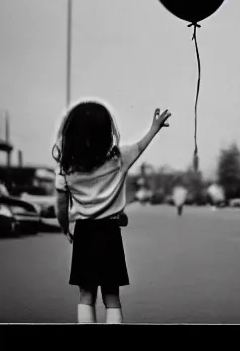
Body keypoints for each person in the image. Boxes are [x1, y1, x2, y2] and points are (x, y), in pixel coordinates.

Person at [53, 100, 171, 324]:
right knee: (112, 296)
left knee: (86, 295)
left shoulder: (66, 168)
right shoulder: (119, 158)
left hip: (84, 234)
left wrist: (65, 228)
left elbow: (60, 206)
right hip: (110, 233)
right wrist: (153, 128)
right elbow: (139, 146)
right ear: (106, 133)